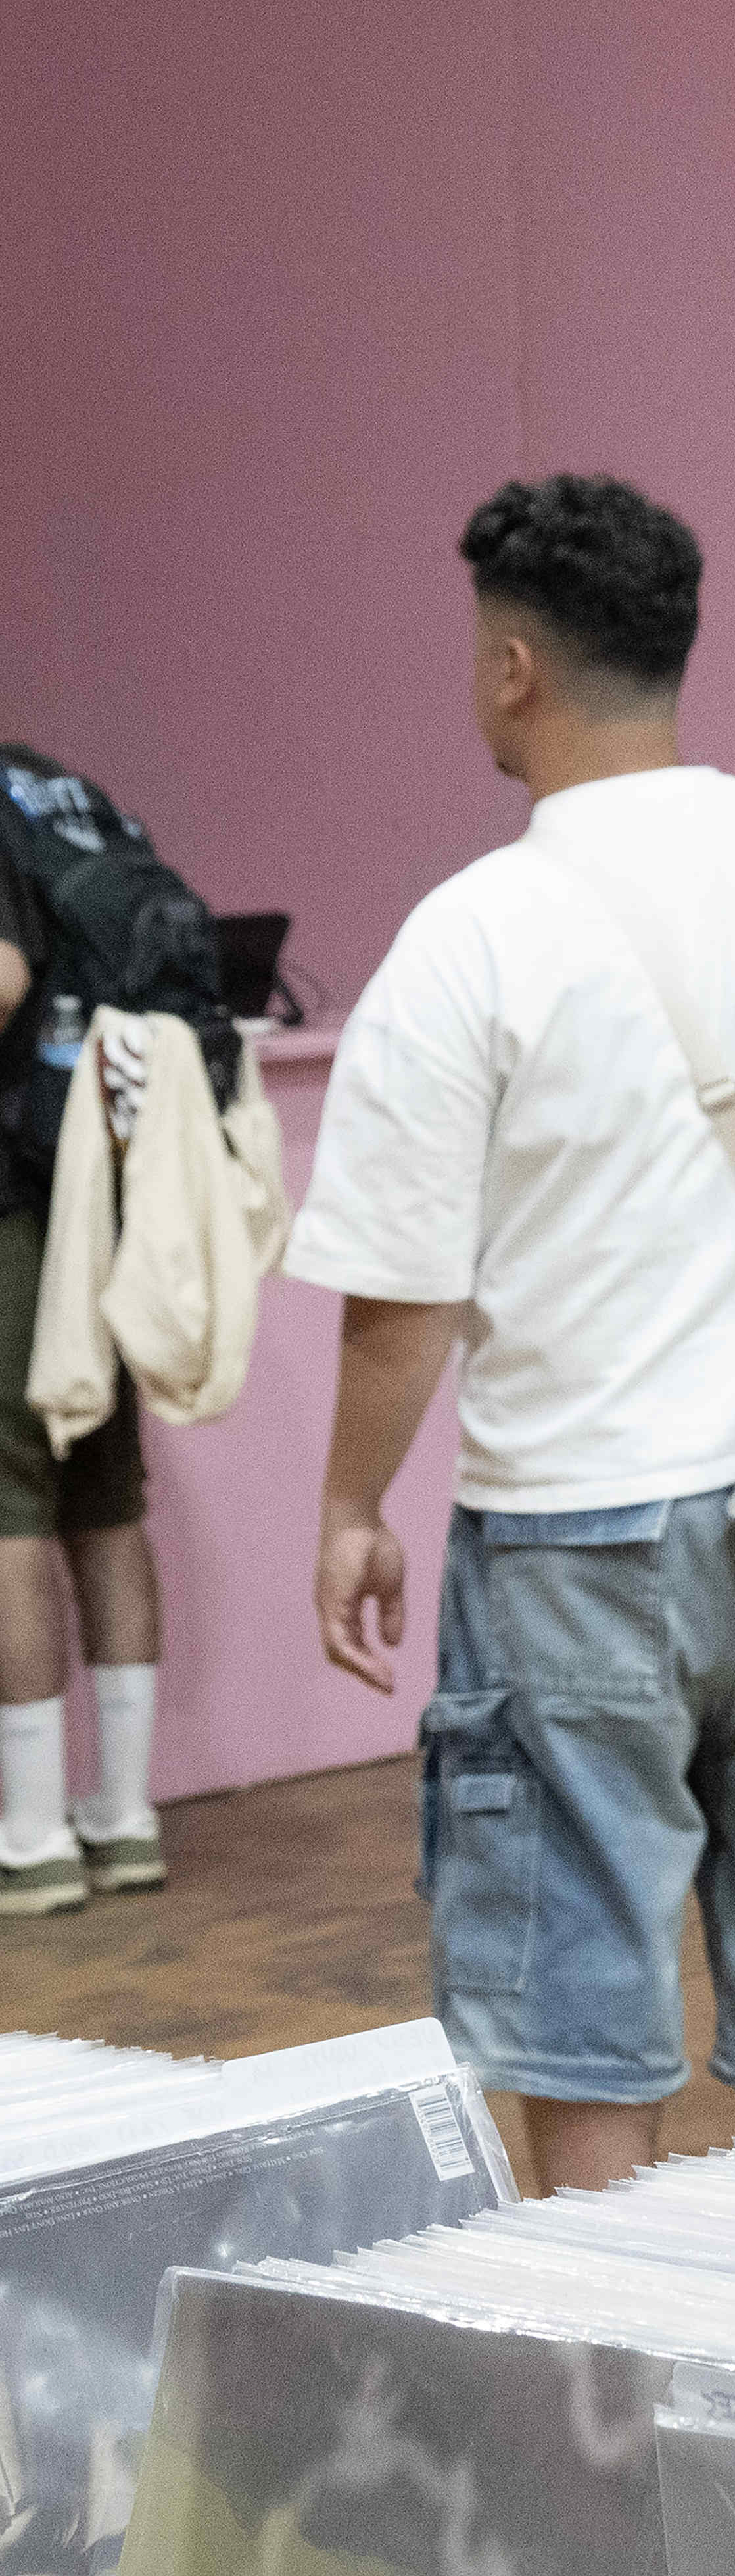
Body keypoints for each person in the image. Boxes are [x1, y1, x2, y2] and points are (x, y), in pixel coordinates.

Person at [293, 474, 735, 2191]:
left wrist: (352, 1504)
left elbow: (409, 1295)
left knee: (577, 2009)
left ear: (513, 664)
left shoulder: (473, 935)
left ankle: (612, 2415)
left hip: (572, 1528)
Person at [0, 779, 161, 1920]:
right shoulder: (63, 793)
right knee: (104, 1499)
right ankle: (128, 1816)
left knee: (7, 1505)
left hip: (10, 1202)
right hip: (99, 1190)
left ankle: (35, 1835)